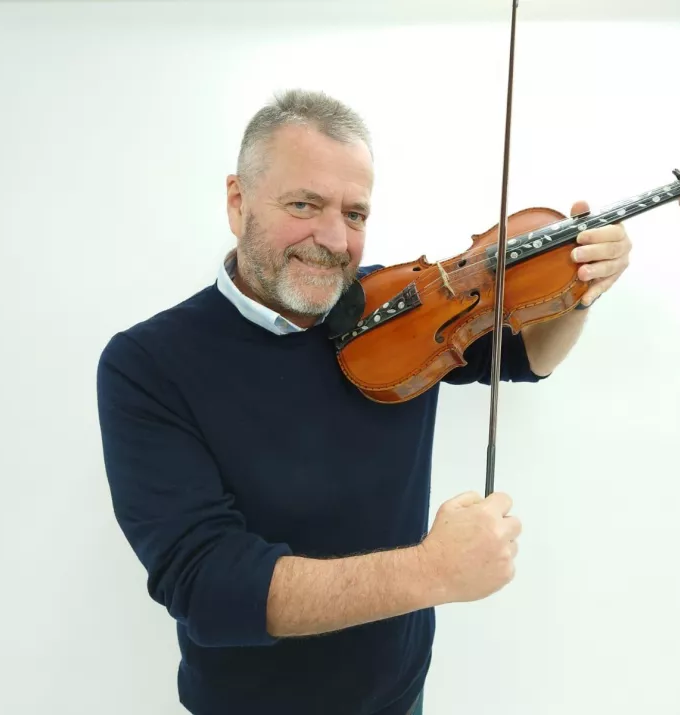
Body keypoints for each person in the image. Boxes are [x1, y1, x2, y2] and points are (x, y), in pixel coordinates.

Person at [96, 88, 631, 715]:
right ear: (238, 202)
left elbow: (527, 359)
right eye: (304, 204)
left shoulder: (385, 306)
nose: (333, 239)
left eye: (355, 214)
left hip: (400, 695)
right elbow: (210, 586)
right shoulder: (147, 363)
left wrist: (580, 290)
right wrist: (435, 571)